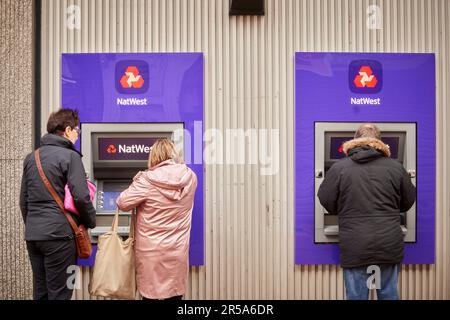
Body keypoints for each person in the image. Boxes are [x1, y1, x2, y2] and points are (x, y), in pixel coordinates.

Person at [317, 123, 416, 300]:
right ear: (379, 141)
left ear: (355, 140)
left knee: (356, 296)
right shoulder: (396, 168)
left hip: (355, 243)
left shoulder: (339, 168)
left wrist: (343, 209)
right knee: (388, 294)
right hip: (388, 242)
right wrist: (391, 209)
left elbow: (325, 198)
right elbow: (408, 200)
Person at [20, 108, 96, 300]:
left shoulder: (32, 157)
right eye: (76, 130)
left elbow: (24, 201)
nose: (77, 134)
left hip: (34, 236)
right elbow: (81, 196)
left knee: (41, 291)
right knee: (61, 293)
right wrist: (90, 222)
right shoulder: (71, 156)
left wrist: (34, 226)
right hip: (61, 237)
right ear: (68, 130)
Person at [116, 139, 197, 300]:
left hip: (151, 254)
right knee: (174, 296)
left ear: (153, 156)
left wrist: (137, 180)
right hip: (177, 251)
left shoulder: (146, 180)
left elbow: (122, 202)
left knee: (150, 297)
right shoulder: (190, 177)